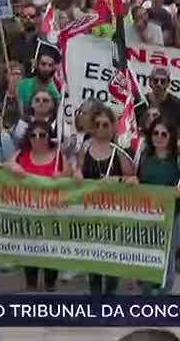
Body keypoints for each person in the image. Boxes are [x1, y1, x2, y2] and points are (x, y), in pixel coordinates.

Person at [74, 105, 134, 295]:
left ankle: (109, 297)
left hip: (114, 213)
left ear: (113, 127)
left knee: (112, 257)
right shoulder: (85, 147)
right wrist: (77, 176)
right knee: (93, 256)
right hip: (91, 211)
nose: (101, 129)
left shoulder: (119, 151)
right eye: (97, 124)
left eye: (105, 125)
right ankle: (95, 296)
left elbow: (131, 179)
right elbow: (78, 172)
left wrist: (116, 180)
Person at [6, 120, 71, 292]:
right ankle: (31, 285)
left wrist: (62, 176)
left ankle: (50, 286)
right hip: (28, 215)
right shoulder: (21, 155)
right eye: (33, 135)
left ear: (49, 137)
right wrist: (12, 166)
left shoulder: (59, 157)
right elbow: (5, 167)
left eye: (42, 135)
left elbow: (71, 179)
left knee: (51, 254)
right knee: (30, 252)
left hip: (53, 214)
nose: (38, 138)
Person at [136, 117, 180, 294]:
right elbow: (139, 180)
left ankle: (164, 293)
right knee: (146, 253)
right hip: (147, 214)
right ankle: (146, 289)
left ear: (171, 137)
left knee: (167, 256)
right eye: (155, 133)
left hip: (171, 215)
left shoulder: (179, 160)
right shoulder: (145, 158)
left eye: (163, 134)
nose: (159, 137)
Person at [134, 68, 180, 142]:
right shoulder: (140, 102)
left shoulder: (177, 104)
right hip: (144, 146)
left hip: (168, 149)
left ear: (168, 83)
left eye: (163, 81)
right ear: (150, 82)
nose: (159, 84)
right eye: (155, 81)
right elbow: (133, 128)